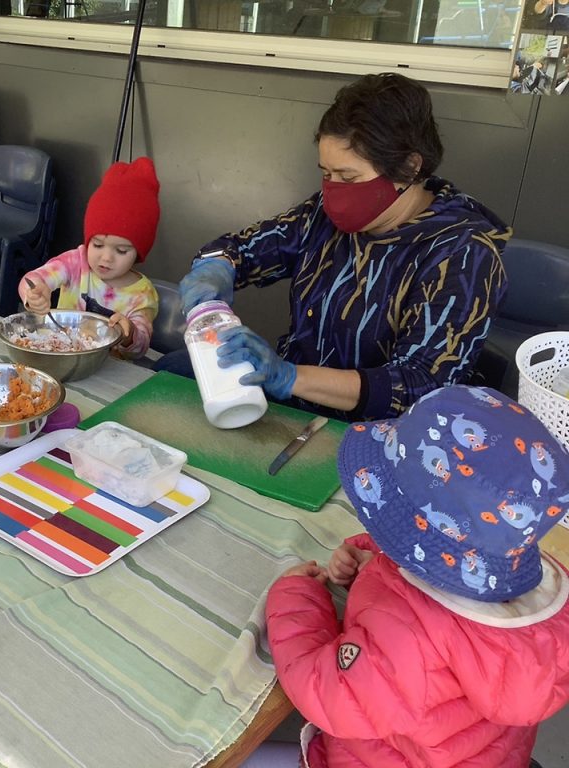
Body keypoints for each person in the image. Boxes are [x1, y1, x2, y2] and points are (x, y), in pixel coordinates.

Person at [161, 73, 509, 420]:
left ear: (408, 167)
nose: (334, 190)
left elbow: (418, 385)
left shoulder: (463, 253)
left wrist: (291, 377)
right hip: (295, 402)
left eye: (349, 177)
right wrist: (217, 266)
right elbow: (245, 248)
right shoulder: (324, 217)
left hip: (374, 433)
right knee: (171, 372)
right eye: (326, 173)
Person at [254, 385, 569, 768]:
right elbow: (443, 565)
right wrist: (374, 557)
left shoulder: (406, 638)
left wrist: (296, 595)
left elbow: (325, 693)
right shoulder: (524, 574)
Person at [18, 156, 160, 360]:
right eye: (98, 245)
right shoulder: (76, 262)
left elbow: (141, 347)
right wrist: (34, 295)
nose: (106, 257)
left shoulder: (142, 294)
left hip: (107, 373)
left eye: (121, 250)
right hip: (58, 356)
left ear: (138, 252)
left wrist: (128, 335)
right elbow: (32, 279)